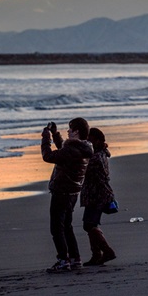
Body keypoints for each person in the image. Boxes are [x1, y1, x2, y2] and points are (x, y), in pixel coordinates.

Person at [41, 117, 94, 273]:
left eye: (70, 129)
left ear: (76, 131)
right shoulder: (83, 148)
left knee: (57, 228)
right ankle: (75, 258)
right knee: (67, 226)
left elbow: (48, 156)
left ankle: (63, 260)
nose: (68, 131)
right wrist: (56, 134)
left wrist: (46, 138)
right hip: (72, 192)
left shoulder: (73, 150)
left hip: (62, 191)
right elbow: (63, 151)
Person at [80, 127, 117, 266]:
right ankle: (97, 254)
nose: (88, 141)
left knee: (89, 224)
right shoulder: (100, 154)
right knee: (91, 224)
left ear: (97, 140)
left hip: (97, 194)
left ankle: (106, 251)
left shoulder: (96, 157)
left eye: (90, 138)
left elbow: (83, 167)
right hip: (98, 193)